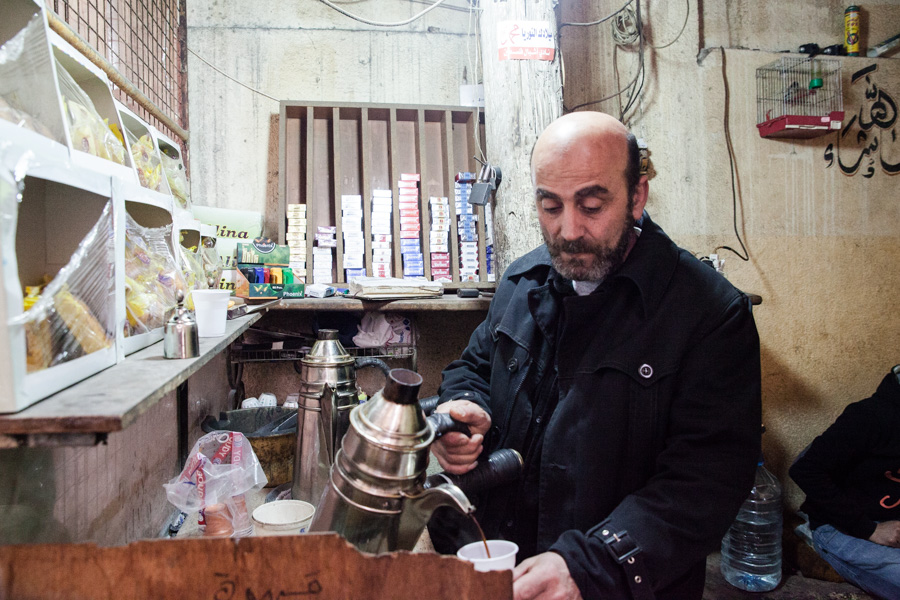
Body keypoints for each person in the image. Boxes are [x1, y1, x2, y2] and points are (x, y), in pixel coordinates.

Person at [427, 111, 762, 600]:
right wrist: (458, 409)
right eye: (550, 206)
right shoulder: (523, 283)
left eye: (591, 205)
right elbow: (474, 365)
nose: (568, 230)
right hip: (498, 563)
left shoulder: (708, 315)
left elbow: (705, 481)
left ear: (637, 196)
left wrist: (593, 565)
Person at [789, 365, 900, 600]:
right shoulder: (872, 416)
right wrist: (871, 530)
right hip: (846, 526)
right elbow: (805, 469)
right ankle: (810, 540)